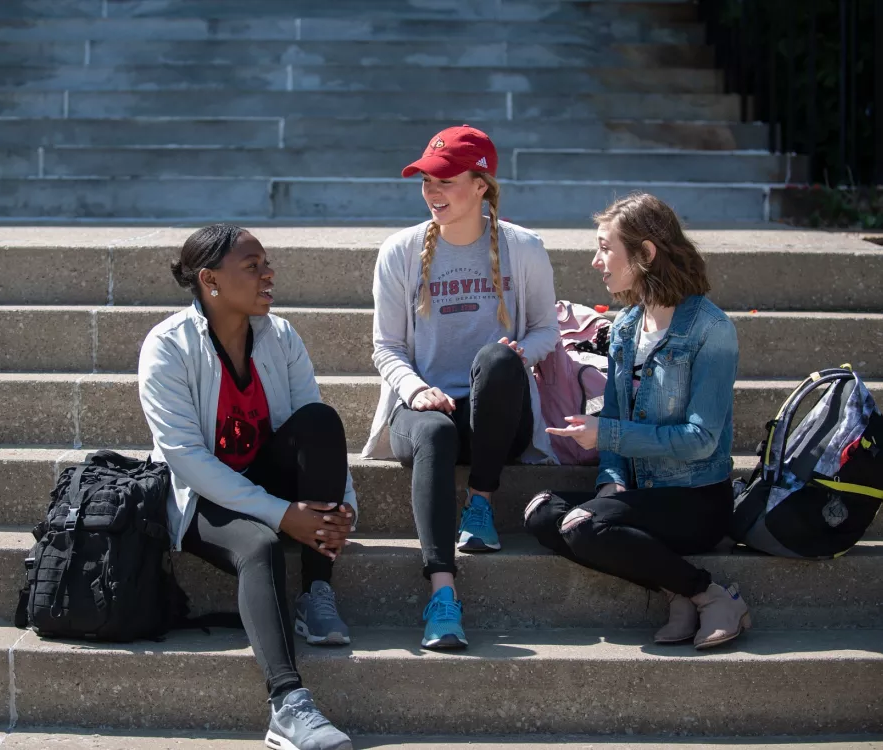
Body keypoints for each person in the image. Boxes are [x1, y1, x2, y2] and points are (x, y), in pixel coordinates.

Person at [139, 224, 356, 750]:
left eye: (266, 263)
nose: (268, 274)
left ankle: (316, 591)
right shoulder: (168, 346)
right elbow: (186, 458)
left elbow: (314, 429)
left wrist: (344, 503)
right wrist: (281, 515)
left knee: (321, 420)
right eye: (253, 266)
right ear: (211, 281)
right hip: (202, 498)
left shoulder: (280, 335)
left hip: (266, 476)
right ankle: (287, 704)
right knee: (258, 545)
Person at [524, 192, 751, 650]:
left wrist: (606, 436)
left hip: (695, 501)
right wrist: (610, 482)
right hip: (640, 494)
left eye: (606, 248)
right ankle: (678, 590)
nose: (596, 261)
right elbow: (611, 414)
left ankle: (714, 597)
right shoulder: (627, 327)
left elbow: (701, 440)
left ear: (646, 253)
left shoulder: (712, 330)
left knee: (582, 525)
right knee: (542, 512)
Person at [361, 125, 560, 650]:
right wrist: (414, 388)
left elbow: (546, 329)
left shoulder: (524, 248)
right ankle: (442, 596)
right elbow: (385, 346)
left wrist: (522, 355)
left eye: (446, 179)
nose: (433, 191)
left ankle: (480, 503)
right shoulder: (399, 251)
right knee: (434, 433)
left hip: (495, 418)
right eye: (426, 179)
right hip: (424, 413)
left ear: (481, 185)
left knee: (497, 359)